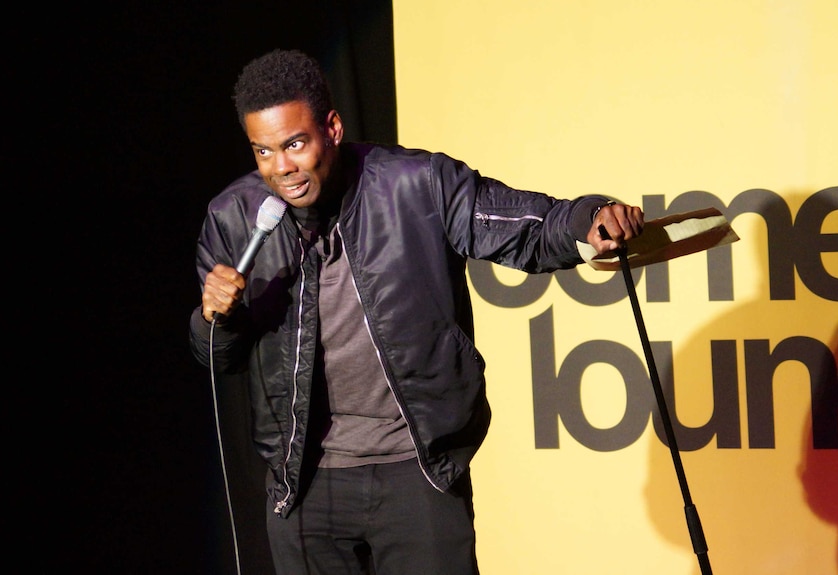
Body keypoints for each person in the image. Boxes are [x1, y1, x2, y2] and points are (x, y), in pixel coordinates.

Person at [189, 48, 644, 575]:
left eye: (294, 145)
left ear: (332, 128)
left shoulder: (417, 184)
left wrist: (587, 219)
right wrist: (211, 317)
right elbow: (217, 355)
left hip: (416, 473)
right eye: (263, 153)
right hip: (304, 485)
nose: (281, 170)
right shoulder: (233, 218)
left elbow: (523, 226)